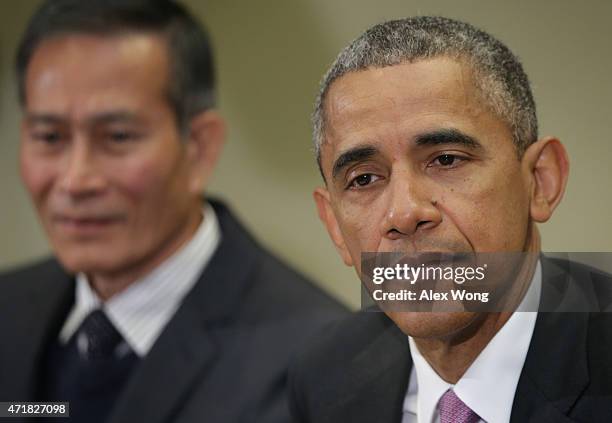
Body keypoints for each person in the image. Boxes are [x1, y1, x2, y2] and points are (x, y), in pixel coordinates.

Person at [0, 1, 347, 422]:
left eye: (118, 136)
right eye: (50, 136)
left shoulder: (319, 365)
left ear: (199, 147)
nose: (75, 180)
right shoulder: (10, 306)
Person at [290, 16, 612, 423]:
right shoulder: (324, 378)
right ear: (334, 226)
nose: (405, 214)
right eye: (364, 179)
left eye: (446, 160)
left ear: (539, 181)